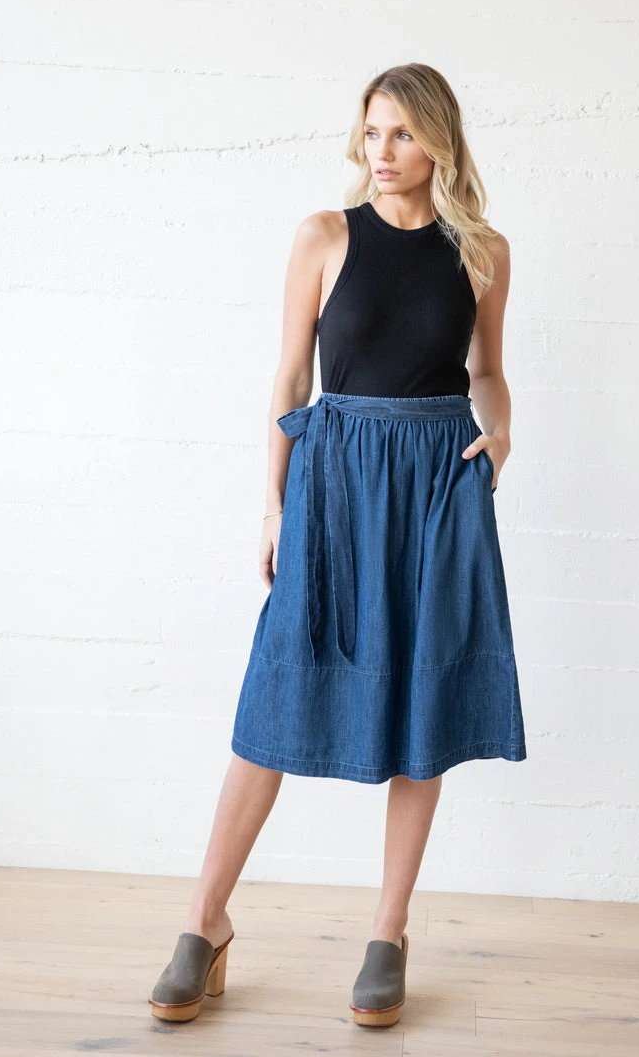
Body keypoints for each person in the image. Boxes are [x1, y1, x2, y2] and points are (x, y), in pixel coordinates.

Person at [148, 62, 527, 1029]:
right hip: (336, 481)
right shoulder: (324, 236)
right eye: (372, 131)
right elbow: (290, 379)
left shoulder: (483, 249)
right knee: (277, 690)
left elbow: (486, 370)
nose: (381, 151)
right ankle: (204, 920)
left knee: (422, 699)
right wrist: (275, 506)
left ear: (439, 140)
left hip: (438, 485)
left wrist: (502, 432)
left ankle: (387, 935)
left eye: (402, 133)